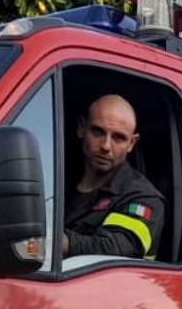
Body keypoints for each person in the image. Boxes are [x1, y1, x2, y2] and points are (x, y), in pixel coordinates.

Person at [62, 94, 166, 260]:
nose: (106, 146)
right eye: (98, 132)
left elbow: (118, 249)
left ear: (132, 143)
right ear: (81, 128)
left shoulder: (144, 198)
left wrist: (58, 242)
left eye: (118, 138)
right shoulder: (56, 175)